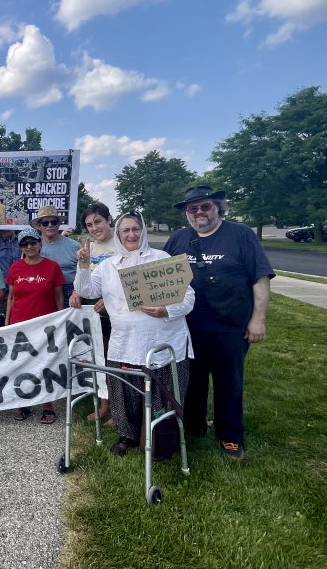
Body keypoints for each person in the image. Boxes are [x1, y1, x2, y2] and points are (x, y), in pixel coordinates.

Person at [164, 185, 274, 460]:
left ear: (217, 207)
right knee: (193, 381)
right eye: (193, 208)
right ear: (186, 213)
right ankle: (194, 425)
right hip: (188, 327)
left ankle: (230, 435)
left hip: (230, 324)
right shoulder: (178, 239)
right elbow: (160, 277)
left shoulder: (241, 235)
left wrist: (258, 319)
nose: (199, 212)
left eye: (205, 206)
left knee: (229, 381)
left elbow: (260, 278)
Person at [74, 212, 194, 457]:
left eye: (135, 229)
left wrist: (165, 310)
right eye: (125, 231)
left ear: (143, 231)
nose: (131, 235)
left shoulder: (161, 258)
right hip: (125, 343)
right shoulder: (109, 265)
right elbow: (86, 289)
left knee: (162, 393)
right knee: (125, 392)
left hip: (162, 341)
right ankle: (126, 434)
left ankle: (161, 437)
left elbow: (189, 297)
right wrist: (84, 265)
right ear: (118, 235)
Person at [6, 227, 65, 424]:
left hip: (46, 326)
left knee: (45, 365)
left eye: (33, 242)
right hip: (20, 325)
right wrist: (7, 323)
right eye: (24, 243)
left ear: (40, 244)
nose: (29, 246)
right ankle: (23, 402)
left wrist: (61, 321)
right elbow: (11, 296)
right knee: (22, 365)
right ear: (20, 247)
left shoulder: (52, 267)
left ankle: (47, 406)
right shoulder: (15, 268)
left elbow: (58, 296)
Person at [70, 202, 117, 423]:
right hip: (92, 311)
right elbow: (84, 275)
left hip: (116, 311)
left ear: (109, 219)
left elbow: (131, 279)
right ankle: (105, 404)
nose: (94, 228)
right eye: (89, 224)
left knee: (116, 360)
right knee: (100, 358)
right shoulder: (90, 247)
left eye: (98, 221)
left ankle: (119, 407)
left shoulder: (122, 243)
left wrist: (108, 299)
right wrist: (75, 291)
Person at [32, 206, 79, 304]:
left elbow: (83, 272)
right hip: (42, 293)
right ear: (39, 226)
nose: (50, 225)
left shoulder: (74, 246)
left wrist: (77, 292)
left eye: (53, 222)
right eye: (45, 223)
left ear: (58, 224)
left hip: (70, 293)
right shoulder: (32, 246)